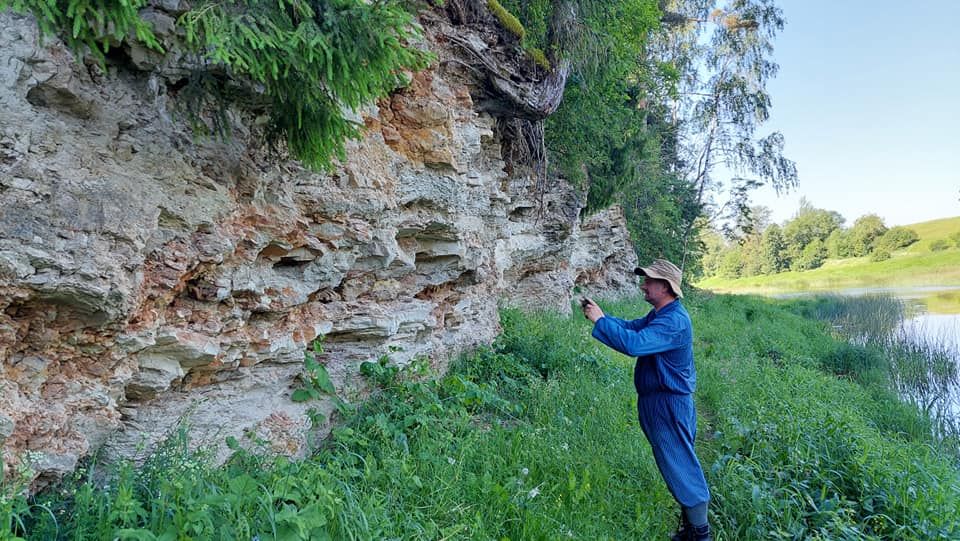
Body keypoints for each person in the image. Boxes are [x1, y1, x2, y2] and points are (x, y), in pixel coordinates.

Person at [581, 258, 712, 541]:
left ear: (665, 287)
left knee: (680, 464)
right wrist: (603, 317)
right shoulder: (660, 315)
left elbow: (634, 344)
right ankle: (692, 528)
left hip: (669, 404)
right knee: (673, 463)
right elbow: (632, 328)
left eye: (649, 280)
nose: (644, 285)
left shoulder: (674, 321)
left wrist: (600, 321)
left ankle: (700, 534)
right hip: (659, 402)